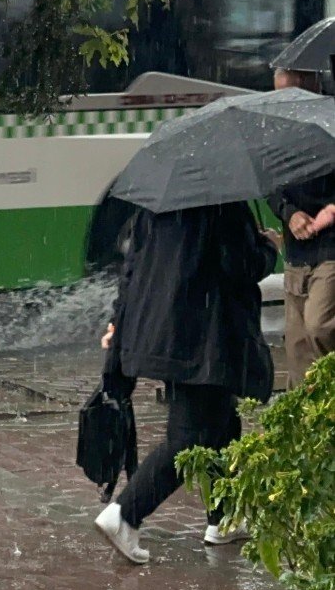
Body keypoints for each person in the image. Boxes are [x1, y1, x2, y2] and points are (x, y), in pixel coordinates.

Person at [94, 202, 277, 564]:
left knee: (223, 424)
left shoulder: (158, 207)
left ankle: (223, 518)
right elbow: (240, 266)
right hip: (207, 340)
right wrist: (268, 246)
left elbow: (133, 267)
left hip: (169, 332)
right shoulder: (225, 205)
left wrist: (119, 320)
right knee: (189, 438)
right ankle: (125, 514)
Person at [268, 65, 335, 386]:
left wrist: (332, 210)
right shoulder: (277, 133)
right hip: (297, 252)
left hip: (331, 247)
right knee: (297, 350)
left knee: (320, 326)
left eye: (289, 94)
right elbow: (271, 184)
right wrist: (288, 212)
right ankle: (311, 424)